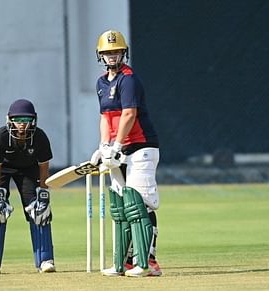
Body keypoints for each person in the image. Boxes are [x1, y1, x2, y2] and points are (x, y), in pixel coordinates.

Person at [90, 30, 162, 277]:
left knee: (140, 204)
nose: (112, 56)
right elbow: (104, 117)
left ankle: (148, 262)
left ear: (124, 53)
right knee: (122, 206)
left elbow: (129, 114)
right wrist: (103, 146)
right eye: (108, 52)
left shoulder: (128, 79)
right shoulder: (101, 83)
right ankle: (125, 262)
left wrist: (117, 146)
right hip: (118, 150)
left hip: (141, 146)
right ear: (101, 55)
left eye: (116, 52)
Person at [0, 98, 56, 275]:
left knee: (38, 210)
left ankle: (45, 260)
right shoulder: (1, 136)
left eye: (26, 120)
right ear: (10, 120)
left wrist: (44, 194)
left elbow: (43, 167)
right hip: (2, 168)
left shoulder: (40, 137)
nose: (22, 125)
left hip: (28, 168)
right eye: (18, 120)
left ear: (33, 120)